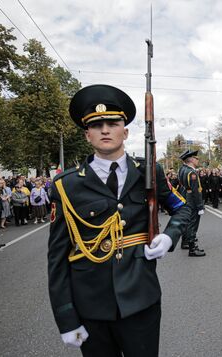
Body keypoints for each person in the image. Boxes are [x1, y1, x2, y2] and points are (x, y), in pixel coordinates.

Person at [47, 84, 191, 356]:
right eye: (97, 124)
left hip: (141, 300)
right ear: (87, 134)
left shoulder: (148, 172)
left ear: (124, 132)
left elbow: (183, 208)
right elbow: (56, 259)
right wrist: (67, 320)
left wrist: (170, 235)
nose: (105, 129)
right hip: (91, 308)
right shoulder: (67, 186)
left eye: (113, 123)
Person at [178, 149, 206, 256]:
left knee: (188, 222)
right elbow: (196, 191)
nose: (198, 160)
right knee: (193, 224)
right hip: (192, 201)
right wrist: (200, 206)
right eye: (196, 158)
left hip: (186, 198)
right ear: (191, 160)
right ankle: (192, 249)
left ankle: (185, 242)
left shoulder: (182, 169)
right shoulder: (192, 172)